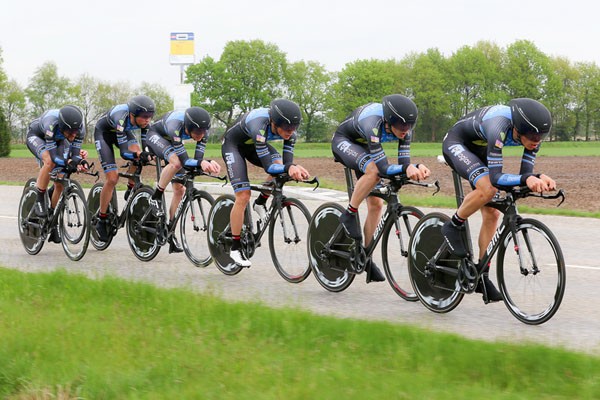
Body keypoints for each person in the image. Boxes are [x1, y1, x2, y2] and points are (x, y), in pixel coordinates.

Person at [441, 98, 556, 302]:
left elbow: (525, 174)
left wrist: (536, 178)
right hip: (457, 144)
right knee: (488, 188)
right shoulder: (499, 125)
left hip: (480, 148)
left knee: (492, 213)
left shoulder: (533, 137)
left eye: (541, 136)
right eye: (532, 135)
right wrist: (528, 179)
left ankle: (482, 275)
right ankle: (454, 224)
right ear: (518, 128)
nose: (536, 140)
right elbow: (495, 178)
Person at [332, 94, 431, 283]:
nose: (406, 130)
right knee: (374, 170)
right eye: (402, 126)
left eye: (410, 126)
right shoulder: (373, 123)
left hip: (366, 146)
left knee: (376, 204)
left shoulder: (405, 130)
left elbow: (404, 163)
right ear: (389, 120)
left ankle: (365, 256)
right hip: (345, 142)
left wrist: (415, 166)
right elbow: (384, 169)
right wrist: (406, 168)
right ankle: (349, 213)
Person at [221, 99, 310, 267]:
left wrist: (292, 168)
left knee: (281, 166)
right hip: (233, 146)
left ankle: (260, 202)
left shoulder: (291, 132)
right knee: (243, 195)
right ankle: (235, 247)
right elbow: (269, 168)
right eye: (286, 128)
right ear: (274, 122)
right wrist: (290, 167)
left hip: (254, 145)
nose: (290, 131)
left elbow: (286, 163)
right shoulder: (259, 125)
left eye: (294, 128)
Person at [145, 106, 221, 253]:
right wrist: (201, 163)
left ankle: (170, 231)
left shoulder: (202, 130)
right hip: (156, 136)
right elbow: (185, 161)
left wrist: (207, 162)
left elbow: (198, 160)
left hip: (172, 142)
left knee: (179, 190)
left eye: (204, 131)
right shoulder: (176, 126)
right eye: (198, 132)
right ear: (188, 127)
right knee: (176, 162)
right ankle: (156, 196)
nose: (202, 135)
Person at [93, 95, 156, 242]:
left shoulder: (143, 123)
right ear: (133, 115)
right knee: (113, 178)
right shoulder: (121, 118)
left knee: (140, 153)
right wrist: (139, 154)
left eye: (150, 116)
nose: (148, 120)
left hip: (123, 131)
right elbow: (124, 153)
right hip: (104, 135)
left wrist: (148, 154)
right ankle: (102, 218)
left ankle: (130, 186)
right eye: (145, 116)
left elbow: (146, 145)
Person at [26, 105, 89, 243]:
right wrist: (68, 161)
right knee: (49, 162)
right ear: (62, 126)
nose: (74, 135)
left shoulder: (78, 130)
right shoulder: (51, 125)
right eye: (70, 132)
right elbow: (54, 158)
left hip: (59, 140)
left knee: (60, 181)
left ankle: (52, 221)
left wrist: (79, 161)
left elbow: (76, 155)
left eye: (76, 132)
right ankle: (40, 198)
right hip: (37, 136)